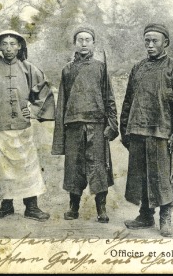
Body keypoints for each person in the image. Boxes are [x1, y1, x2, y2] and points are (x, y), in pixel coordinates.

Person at [0, 30, 55, 221]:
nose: (9, 48)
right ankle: (6, 205)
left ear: (20, 47)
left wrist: (32, 111)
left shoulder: (28, 69)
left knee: (28, 167)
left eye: (13, 44)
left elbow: (44, 94)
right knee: (2, 169)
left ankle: (31, 206)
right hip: (0, 130)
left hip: (22, 128)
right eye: (4, 44)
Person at [120, 23, 173, 237]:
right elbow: (128, 102)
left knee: (163, 178)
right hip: (138, 131)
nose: (150, 45)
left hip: (163, 133)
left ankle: (165, 217)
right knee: (141, 176)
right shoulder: (138, 68)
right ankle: (145, 215)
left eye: (155, 41)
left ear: (165, 43)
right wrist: (126, 129)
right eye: (147, 41)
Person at [52, 27, 119, 223]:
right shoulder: (68, 70)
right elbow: (62, 102)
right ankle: (73, 208)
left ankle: (102, 209)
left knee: (99, 167)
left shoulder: (101, 68)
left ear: (93, 43)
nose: (83, 43)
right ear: (75, 43)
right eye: (80, 39)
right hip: (73, 126)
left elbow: (109, 99)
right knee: (74, 167)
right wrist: (61, 133)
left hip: (96, 126)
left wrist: (112, 124)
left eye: (87, 39)